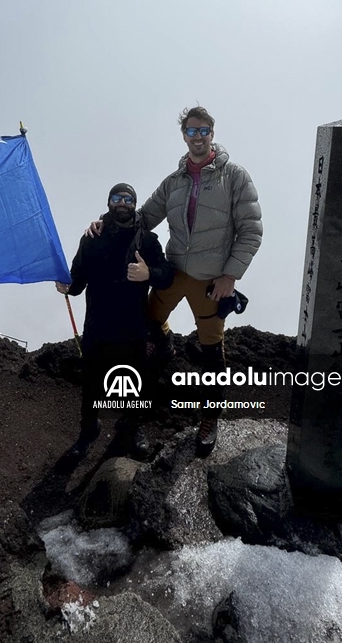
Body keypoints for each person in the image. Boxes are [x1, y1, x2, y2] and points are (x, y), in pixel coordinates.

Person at [89, 106, 262, 456]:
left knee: (212, 353)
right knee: (148, 323)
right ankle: (165, 344)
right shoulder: (174, 182)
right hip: (173, 272)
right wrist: (105, 223)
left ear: (212, 133)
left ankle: (209, 420)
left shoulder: (235, 177)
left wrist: (230, 275)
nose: (197, 137)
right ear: (183, 135)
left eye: (203, 131)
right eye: (191, 131)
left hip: (210, 281)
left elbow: (252, 230)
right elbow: (144, 217)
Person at [56, 183, 174, 459]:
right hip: (97, 324)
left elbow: (167, 275)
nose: (122, 202)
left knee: (134, 381)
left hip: (134, 326)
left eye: (128, 198)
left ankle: (132, 428)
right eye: (117, 198)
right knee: (91, 382)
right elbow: (78, 280)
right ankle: (89, 430)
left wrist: (148, 274)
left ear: (135, 204)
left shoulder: (147, 239)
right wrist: (67, 285)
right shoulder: (92, 237)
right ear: (109, 202)